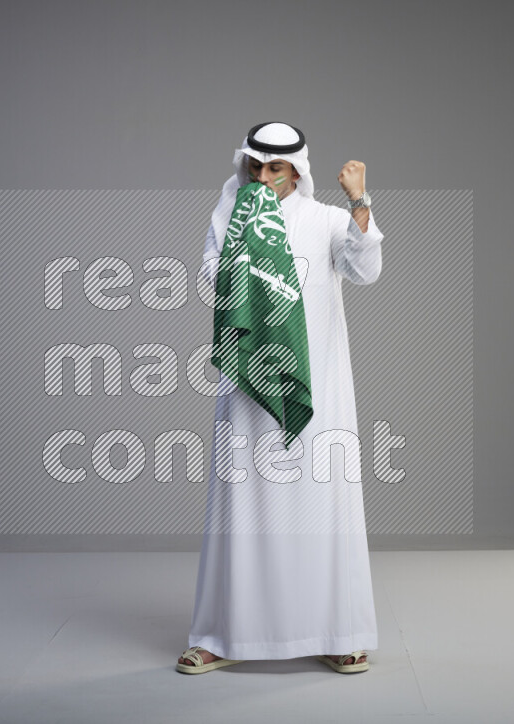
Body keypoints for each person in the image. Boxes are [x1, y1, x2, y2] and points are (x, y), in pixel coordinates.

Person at [177, 122, 383, 675]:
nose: (264, 179)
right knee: (240, 509)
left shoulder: (327, 220)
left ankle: (340, 631)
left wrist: (360, 200)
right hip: (248, 383)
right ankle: (220, 634)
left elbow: (365, 269)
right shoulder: (231, 217)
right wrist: (248, 257)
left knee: (323, 503)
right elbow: (205, 283)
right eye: (256, 168)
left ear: (298, 170)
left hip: (318, 386)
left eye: (276, 169)